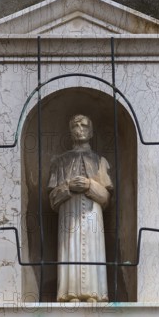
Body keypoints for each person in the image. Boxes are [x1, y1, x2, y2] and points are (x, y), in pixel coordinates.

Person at [47, 114, 113, 303]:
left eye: (84, 126)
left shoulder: (100, 161)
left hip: (93, 213)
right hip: (68, 213)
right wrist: (68, 187)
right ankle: (69, 294)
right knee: (70, 246)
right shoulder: (60, 162)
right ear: (70, 132)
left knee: (93, 249)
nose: (80, 129)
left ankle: (96, 293)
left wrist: (90, 186)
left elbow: (106, 198)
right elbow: (52, 199)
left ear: (91, 131)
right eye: (75, 126)